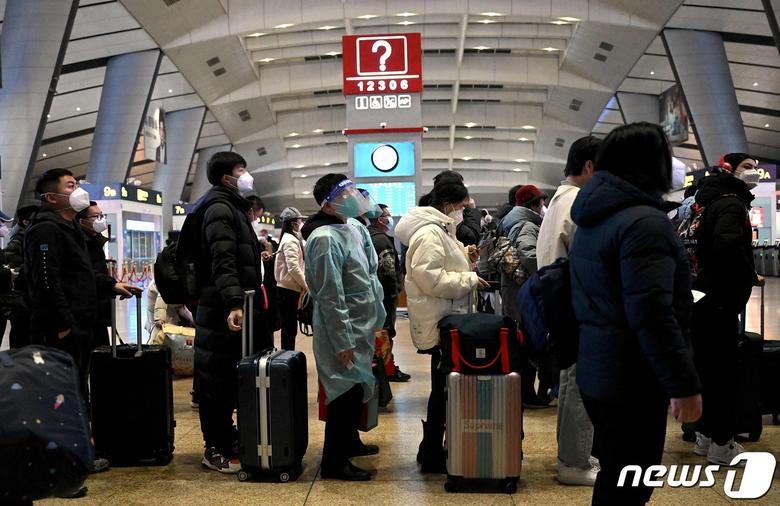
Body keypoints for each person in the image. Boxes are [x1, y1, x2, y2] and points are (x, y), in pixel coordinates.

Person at [568, 123, 702, 504]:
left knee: (616, 474)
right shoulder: (644, 222)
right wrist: (683, 384)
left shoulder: (594, 216)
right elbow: (652, 312)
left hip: (600, 367)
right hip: (633, 377)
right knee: (632, 484)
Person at [25, 169, 139, 485]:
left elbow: (80, 274)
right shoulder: (45, 230)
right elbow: (47, 282)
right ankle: (60, 468)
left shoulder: (69, 227)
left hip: (81, 323)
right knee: (60, 396)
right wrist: (63, 325)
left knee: (74, 393)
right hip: (62, 328)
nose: (79, 190)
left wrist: (109, 285)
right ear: (51, 197)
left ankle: (76, 457)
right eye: (71, 186)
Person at [395, 180, 488, 474]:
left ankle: (433, 449)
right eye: (462, 206)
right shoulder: (429, 234)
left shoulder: (440, 231)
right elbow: (430, 280)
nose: (463, 211)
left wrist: (466, 259)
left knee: (445, 389)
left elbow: (445, 267)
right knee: (441, 391)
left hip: (447, 321)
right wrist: (470, 279)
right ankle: (432, 451)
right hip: (440, 325)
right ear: (448, 203)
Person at [301, 174, 386, 481]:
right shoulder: (324, 239)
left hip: (362, 323)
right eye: (346, 192)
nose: (354, 196)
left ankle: (350, 442)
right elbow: (329, 294)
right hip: (342, 326)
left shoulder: (353, 227)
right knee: (342, 394)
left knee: (357, 388)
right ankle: (334, 463)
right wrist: (342, 341)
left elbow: (370, 276)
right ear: (328, 203)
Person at [192, 152, 266, 473]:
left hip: (229, 304)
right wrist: (234, 303)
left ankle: (228, 437)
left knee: (228, 377)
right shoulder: (220, 208)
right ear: (227, 178)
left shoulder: (231, 206)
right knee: (215, 380)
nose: (247, 175)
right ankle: (214, 448)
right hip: (220, 307)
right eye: (241, 169)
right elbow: (223, 259)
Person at [536, 136, 602, 486]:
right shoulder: (579, 202)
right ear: (589, 166)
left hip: (559, 303)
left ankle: (570, 454)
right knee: (580, 383)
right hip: (577, 304)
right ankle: (574, 462)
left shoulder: (558, 201)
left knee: (568, 380)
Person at [691, 152, 762, 465]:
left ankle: (705, 436)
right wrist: (749, 274)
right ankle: (722, 443)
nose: (755, 172)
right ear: (729, 170)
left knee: (707, 367)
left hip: (703, 297)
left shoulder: (711, 200)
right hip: (720, 298)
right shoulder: (732, 203)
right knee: (723, 372)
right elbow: (729, 245)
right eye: (748, 167)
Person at [496, 184, 548, 408]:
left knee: (518, 342)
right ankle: (526, 394)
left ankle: (521, 393)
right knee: (527, 343)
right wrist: (547, 274)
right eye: (541, 203)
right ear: (534, 205)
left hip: (512, 290)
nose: (543, 207)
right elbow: (528, 254)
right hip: (524, 292)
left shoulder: (509, 222)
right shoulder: (526, 224)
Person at [367, 204, 410, 382]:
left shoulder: (367, 235)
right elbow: (388, 273)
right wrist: (395, 293)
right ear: (380, 219)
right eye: (388, 215)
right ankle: (388, 371)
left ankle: (384, 368)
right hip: (385, 296)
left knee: (376, 334)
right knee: (386, 333)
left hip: (372, 296)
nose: (390, 218)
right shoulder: (382, 240)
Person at [75, 202, 114, 351]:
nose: (101, 219)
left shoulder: (95, 240)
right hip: (86, 310)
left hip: (98, 307)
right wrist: (111, 284)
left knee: (102, 350)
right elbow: (87, 272)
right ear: (82, 221)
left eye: (102, 215)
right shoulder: (80, 242)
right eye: (96, 216)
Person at [3, 202, 39, 349]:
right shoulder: (17, 242)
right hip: (22, 300)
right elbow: (13, 272)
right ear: (25, 222)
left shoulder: (32, 238)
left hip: (31, 299)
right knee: (21, 339)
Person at [275, 206, 308, 351]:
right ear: (293, 223)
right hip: (288, 289)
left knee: (289, 328)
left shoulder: (289, 238)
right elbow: (293, 267)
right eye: (299, 220)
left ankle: (288, 357)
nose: (300, 223)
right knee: (289, 328)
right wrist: (305, 285)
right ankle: (287, 359)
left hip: (288, 288)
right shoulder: (290, 240)